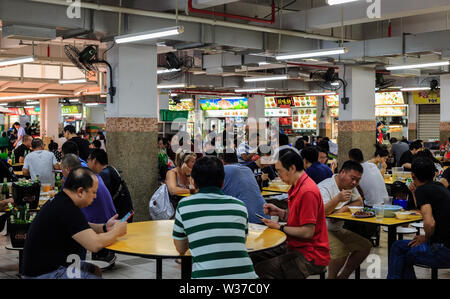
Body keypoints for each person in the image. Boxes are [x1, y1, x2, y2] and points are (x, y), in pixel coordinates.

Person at [22, 167, 127, 279]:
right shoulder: (67, 208)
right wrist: (117, 231)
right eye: (93, 192)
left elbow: (80, 227)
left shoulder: (62, 200)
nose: (95, 197)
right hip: (44, 273)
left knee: (94, 270)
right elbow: (95, 245)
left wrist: (105, 227)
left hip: (52, 266)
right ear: (80, 191)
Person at [172, 156, 258, 279]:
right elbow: (240, 241)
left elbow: (180, 248)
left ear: (192, 181)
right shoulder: (239, 206)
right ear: (223, 181)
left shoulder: (184, 205)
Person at [251, 150, 330, 279]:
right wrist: (280, 212)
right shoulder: (296, 186)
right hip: (295, 245)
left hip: (310, 254)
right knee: (253, 257)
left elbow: (307, 232)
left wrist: (280, 227)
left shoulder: (307, 191)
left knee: (261, 269)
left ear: (292, 168)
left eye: (280, 171)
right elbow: (300, 219)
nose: (278, 175)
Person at [387, 157, 450, 279]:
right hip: (445, 246)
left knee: (401, 251)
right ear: (434, 174)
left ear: (412, 174)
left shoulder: (423, 190)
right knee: (399, 246)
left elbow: (429, 223)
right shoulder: (440, 187)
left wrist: (426, 238)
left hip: (442, 250)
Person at [318, 160, 372, 279]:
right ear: (342, 172)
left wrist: (343, 209)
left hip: (336, 229)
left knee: (365, 246)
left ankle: (343, 276)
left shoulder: (350, 186)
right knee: (340, 252)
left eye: (358, 180)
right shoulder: (325, 187)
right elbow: (321, 211)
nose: (354, 182)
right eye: (352, 178)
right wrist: (337, 199)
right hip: (319, 230)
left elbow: (359, 202)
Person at [219, 151, 269, 224]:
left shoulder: (224, 170)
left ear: (222, 161)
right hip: (264, 215)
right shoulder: (247, 169)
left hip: (248, 220)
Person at [87, 149, 134, 221]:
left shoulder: (103, 176)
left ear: (94, 161)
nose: (87, 163)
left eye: (88, 159)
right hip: (128, 214)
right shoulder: (110, 169)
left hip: (122, 218)